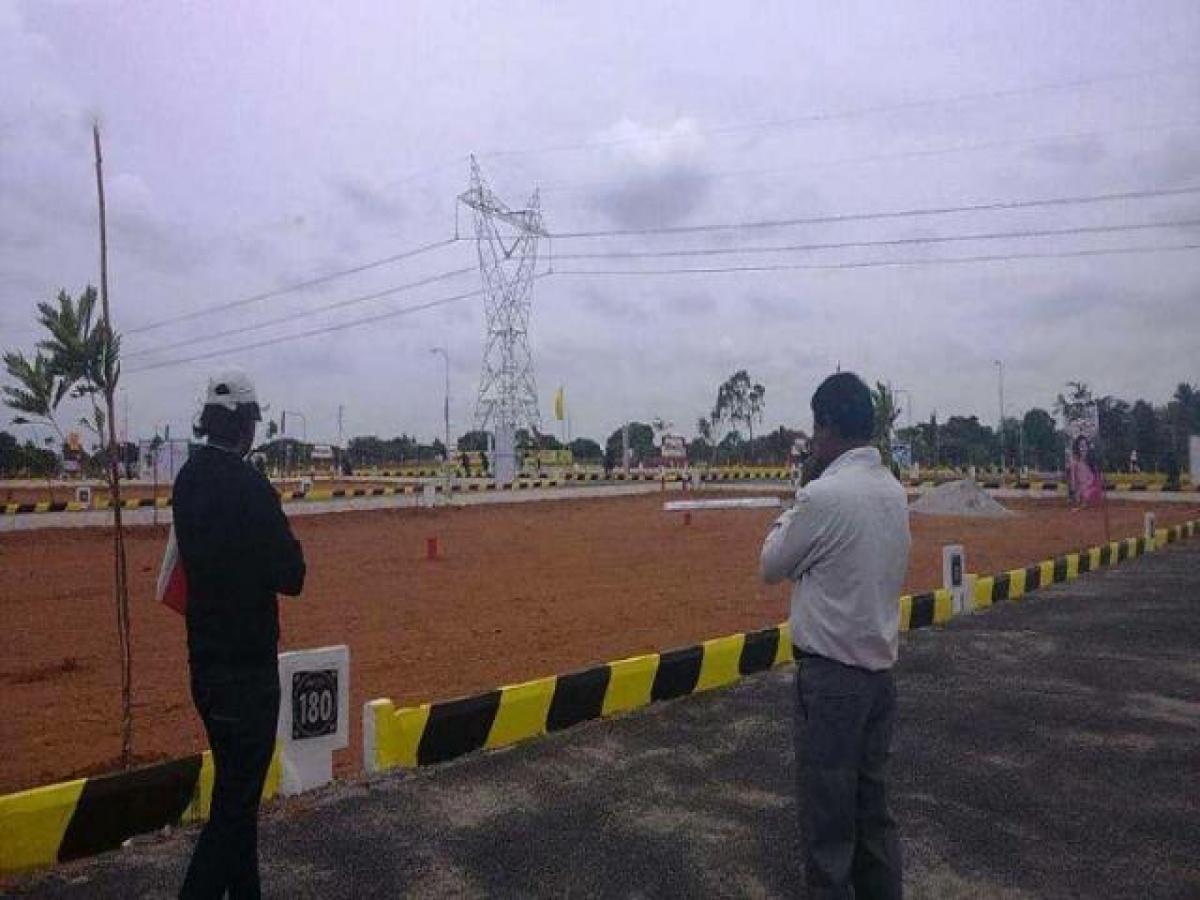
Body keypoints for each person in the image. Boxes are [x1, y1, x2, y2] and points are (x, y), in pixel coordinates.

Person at [759, 372, 910, 899]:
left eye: (816, 426)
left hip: (830, 683)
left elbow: (771, 564)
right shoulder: (893, 492)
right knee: (874, 820)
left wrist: (797, 499)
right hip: (878, 678)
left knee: (827, 829)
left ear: (828, 427)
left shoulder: (823, 496)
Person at [173, 370, 306, 899]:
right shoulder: (251, 487)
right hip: (248, 671)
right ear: (248, 425)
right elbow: (292, 575)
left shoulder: (186, 479)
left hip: (204, 665)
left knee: (239, 800)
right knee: (233, 811)